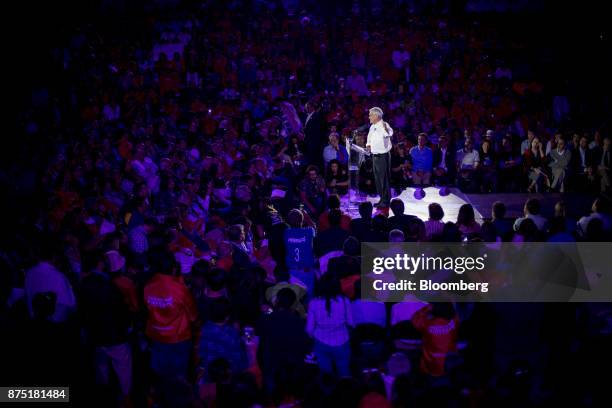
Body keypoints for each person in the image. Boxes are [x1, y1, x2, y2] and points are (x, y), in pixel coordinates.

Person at [79, 250, 132, 401]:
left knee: (101, 367)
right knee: (123, 368)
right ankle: (125, 398)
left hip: (95, 335)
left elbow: (82, 311)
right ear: (100, 264)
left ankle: (103, 394)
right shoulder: (107, 285)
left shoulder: (83, 283)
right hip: (114, 335)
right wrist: (126, 326)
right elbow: (119, 311)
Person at [144, 252, 198, 380]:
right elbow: (193, 316)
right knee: (179, 375)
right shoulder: (179, 289)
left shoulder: (148, 285)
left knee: (161, 375)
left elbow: (147, 309)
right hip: (178, 337)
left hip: (157, 335)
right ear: (173, 268)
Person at [256, 288, 310, 391]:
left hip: (271, 364)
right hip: (292, 366)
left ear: (277, 301)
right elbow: (304, 344)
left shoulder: (265, 319)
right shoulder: (299, 322)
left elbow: (259, 340)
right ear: (293, 304)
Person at [306, 273, 353, 378]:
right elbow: (350, 323)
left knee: (326, 377)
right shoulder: (345, 301)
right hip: (342, 341)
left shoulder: (314, 302)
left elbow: (309, 329)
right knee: (344, 375)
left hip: (320, 342)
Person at [198, 298, 248, 378]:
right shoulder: (231, 334)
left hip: (208, 373)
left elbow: (201, 354)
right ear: (227, 317)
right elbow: (240, 361)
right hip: (225, 376)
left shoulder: (204, 328)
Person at [411, 303, 458, 377]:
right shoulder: (454, 321)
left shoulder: (426, 324)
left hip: (429, 366)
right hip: (450, 366)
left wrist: (427, 308)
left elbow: (415, 319)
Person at [365, 107, 393, 208]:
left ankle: (385, 201)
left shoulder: (384, 124)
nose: (369, 117)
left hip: (383, 156)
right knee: (378, 179)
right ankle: (382, 199)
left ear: (376, 116)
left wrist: (386, 130)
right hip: (375, 156)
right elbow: (369, 138)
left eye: (370, 115)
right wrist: (368, 145)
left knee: (383, 179)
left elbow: (389, 133)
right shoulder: (372, 126)